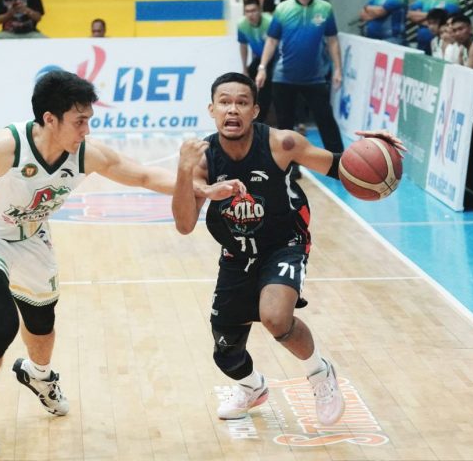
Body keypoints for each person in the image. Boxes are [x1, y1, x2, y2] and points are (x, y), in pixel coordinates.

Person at [0, 71, 241, 459]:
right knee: (0, 325)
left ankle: (38, 376)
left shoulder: (86, 153)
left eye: (89, 119)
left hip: (32, 238)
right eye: (79, 121)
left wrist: (200, 188)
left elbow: (141, 175)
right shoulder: (8, 145)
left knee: (42, 326)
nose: (86, 129)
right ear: (49, 119)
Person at [171, 72, 406, 425]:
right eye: (224, 102)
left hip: (284, 243)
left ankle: (320, 375)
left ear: (255, 110)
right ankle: (253, 388)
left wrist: (377, 153)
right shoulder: (204, 159)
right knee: (226, 354)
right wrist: (185, 172)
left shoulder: (282, 144)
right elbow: (184, 225)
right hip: (236, 254)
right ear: (211, 109)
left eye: (241, 102)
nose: (232, 109)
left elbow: (340, 166)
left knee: (275, 317)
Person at [256, 0, 345, 180]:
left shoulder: (325, 8)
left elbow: (332, 40)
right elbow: (272, 41)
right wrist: (262, 68)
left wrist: (338, 68)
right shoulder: (283, 8)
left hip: (315, 78)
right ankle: (290, 167)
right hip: (284, 77)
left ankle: (341, 166)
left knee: (326, 120)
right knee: (285, 126)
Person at [238, 0, 275, 123]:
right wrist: (244, 69)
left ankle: (259, 123)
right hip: (259, 58)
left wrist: (263, 67)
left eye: (253, 10)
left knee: (265, 85)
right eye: (247, 11)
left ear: (260, 10)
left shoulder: (270, 22)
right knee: (247, 81)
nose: (250, 14)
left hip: (277, 58)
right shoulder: (242, 25)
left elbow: (276, 44)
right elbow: (243, 46)